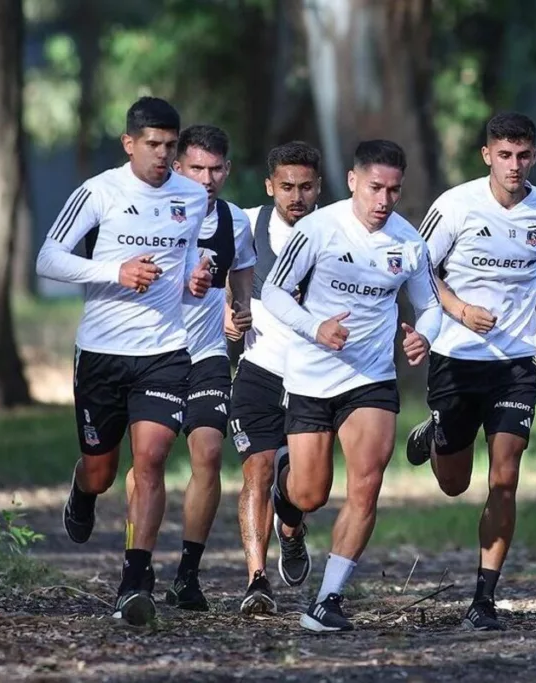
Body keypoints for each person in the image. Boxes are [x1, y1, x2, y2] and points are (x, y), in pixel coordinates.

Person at [36, 97, 212, 625]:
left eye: (170, 146)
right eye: (153, 145)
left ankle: (133, 583)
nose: (162, 155)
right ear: (129, 143)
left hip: (163, 350)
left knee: (153, 459)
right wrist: (116, 271)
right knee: (103, 470)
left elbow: (180, 270)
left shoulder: (192, 196)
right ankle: (83, 488)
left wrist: (191, 282)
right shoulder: (100, 191)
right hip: (101, 353)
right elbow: (48, 258)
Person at [266, 139, 442, 633]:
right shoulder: (317, 230)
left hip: (370, 378)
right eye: (374, 188)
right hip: (310, 375)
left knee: (366, 484)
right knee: (310, 493)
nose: (383, 201)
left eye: (393, 190)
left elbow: (429, 305)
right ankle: (287, 498)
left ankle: (328, 599)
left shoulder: (408, 242)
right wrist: (315, 328)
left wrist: (424, 335)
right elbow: (275, 292)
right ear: (351, 182)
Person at [404, 112, 536, 631]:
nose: (513, 166)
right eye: (504, 155)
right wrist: (456, 309)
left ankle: (483, 597)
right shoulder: (455, 206)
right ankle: (435, 436)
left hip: (515, 363)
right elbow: (420, 268)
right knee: (454, 483)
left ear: (534, 156)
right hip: (456, 358)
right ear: (487, 156)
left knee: (505, 479)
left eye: (523, 156)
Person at [127, 124, 255, 611]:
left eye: (215, 168)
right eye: (196, 167)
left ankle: (187, 574)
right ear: (177, 167)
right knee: (148, 461)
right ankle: (136, 564)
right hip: (153, 353)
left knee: (207, 453)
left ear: (227, 170)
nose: (206, 178)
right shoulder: (155, 214)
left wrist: (238, 308)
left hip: (207, 355)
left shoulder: (235, 221)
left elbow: (240, 271)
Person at [228, 141, 322, 614]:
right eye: (286, 186)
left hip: (314, 379)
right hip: (259, 369)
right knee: (258, 472)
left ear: (318, 187)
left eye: (305, 186)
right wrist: (226, 314)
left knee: (304, 486)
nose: (296, 196)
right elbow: (212, 271)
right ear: (270, 187)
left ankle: (292, 527)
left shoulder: (339, 229)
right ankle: (256, 581)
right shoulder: (245, 223)